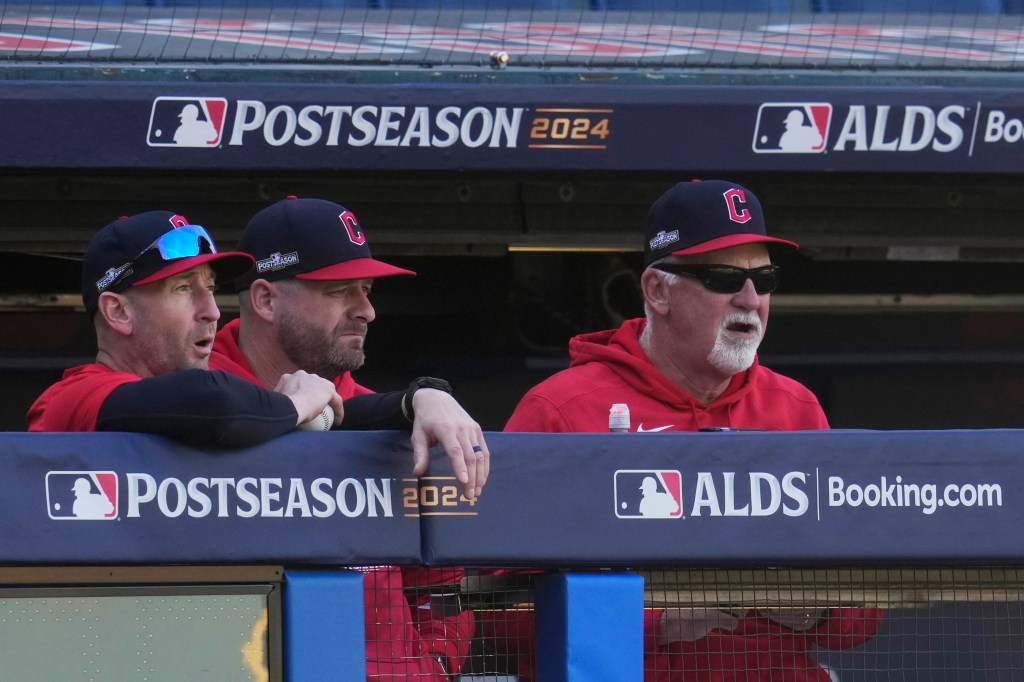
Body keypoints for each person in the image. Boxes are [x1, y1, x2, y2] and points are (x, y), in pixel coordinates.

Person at [502, 180, 882, 681]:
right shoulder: (561, 410)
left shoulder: (795, 408)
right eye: (724, 277)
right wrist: (659, 622)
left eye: (763, 278)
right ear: (657, 290)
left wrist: (816, 610)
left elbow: (866, 613)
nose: (750, 299)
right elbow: (488, 613)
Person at [211, 196, 487, 681]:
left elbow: (441, 591)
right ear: (266, 299)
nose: (367, 312)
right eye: (340, 291)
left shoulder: (396, 420)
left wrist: (432, 667)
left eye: (367, 290)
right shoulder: (193, 401)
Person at [27, 210, 344, 442]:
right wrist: (292, 404)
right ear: (118, 312)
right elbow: (214, 402)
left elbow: (353, 411)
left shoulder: (249, 410)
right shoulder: (72, 397)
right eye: (182, 288)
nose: (213, 311)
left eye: (210, 288)